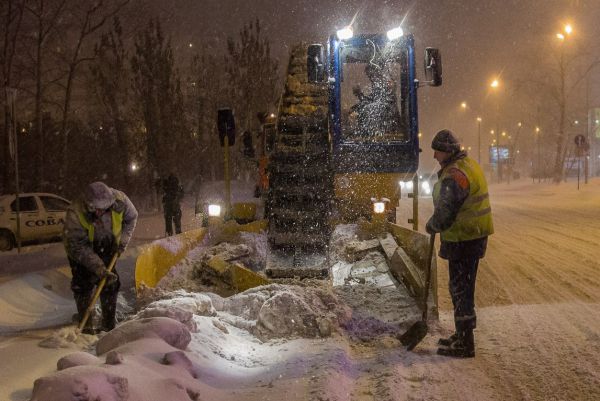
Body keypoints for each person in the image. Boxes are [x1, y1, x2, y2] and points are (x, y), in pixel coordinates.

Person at [425, 129, 494, 358]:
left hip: (465, 238)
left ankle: (466, 343)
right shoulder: (467, 166)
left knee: (461, 290)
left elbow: (446, 211)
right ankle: (461, 334)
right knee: (461, 289)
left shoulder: (455, 174)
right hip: (470, 237)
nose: (434, 156)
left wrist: (433, 225)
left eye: (437, 151)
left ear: (447, 152)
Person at [63, 181, 138, 334]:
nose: (100, 213)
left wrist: (122, 242)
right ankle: (86, 326)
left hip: (108, 244)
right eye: (96, 209)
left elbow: (132, 218)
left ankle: (108, 324)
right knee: (83, 283)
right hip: (81, 250)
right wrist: (98, 268)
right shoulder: (75, 212)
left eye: (104, 209)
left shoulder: (120, 201)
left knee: (110, 282)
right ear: (89, 204)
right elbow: (77, 246)